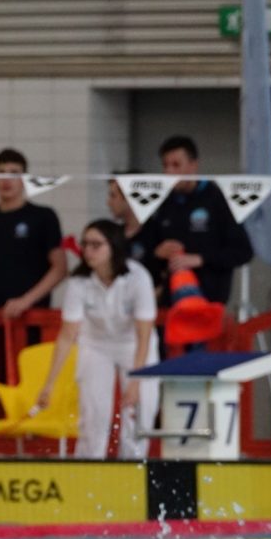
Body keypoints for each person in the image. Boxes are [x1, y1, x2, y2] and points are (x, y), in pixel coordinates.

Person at [34, 219, 160, 460]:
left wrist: (136, 380)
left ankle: (134, 468)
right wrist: (49, 384)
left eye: (96, 245)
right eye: (85, 244)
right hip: (96, 345)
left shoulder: (138, 278)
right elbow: (67, 335)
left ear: (114, 246)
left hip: (134, 345)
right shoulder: (79, 282)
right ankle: (89, 469)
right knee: (93, 413)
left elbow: (143, 334)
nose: (88, 251)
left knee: (141, 409)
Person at [0, 148, 65, 329]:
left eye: (14, 173)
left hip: (34, 315)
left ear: (25, 179)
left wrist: (26, 301)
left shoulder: (43, 217)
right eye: (1, 173)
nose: (6, 180)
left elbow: (60, 268)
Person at [142, 135, 253, 306]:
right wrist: (158, 253)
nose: (169, 172)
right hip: (170, 304)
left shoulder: (217, 200)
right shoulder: (162, 203)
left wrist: (201, 259)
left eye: (176, 165)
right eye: (165, 165)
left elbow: (243, 252)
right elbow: (146, 252)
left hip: (208, 302)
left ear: (193, 165)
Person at [105, 173, 151, 267]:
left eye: (113, 196)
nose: (108, 203)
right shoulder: (114, 234)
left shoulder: (157, 233)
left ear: (130, 197)